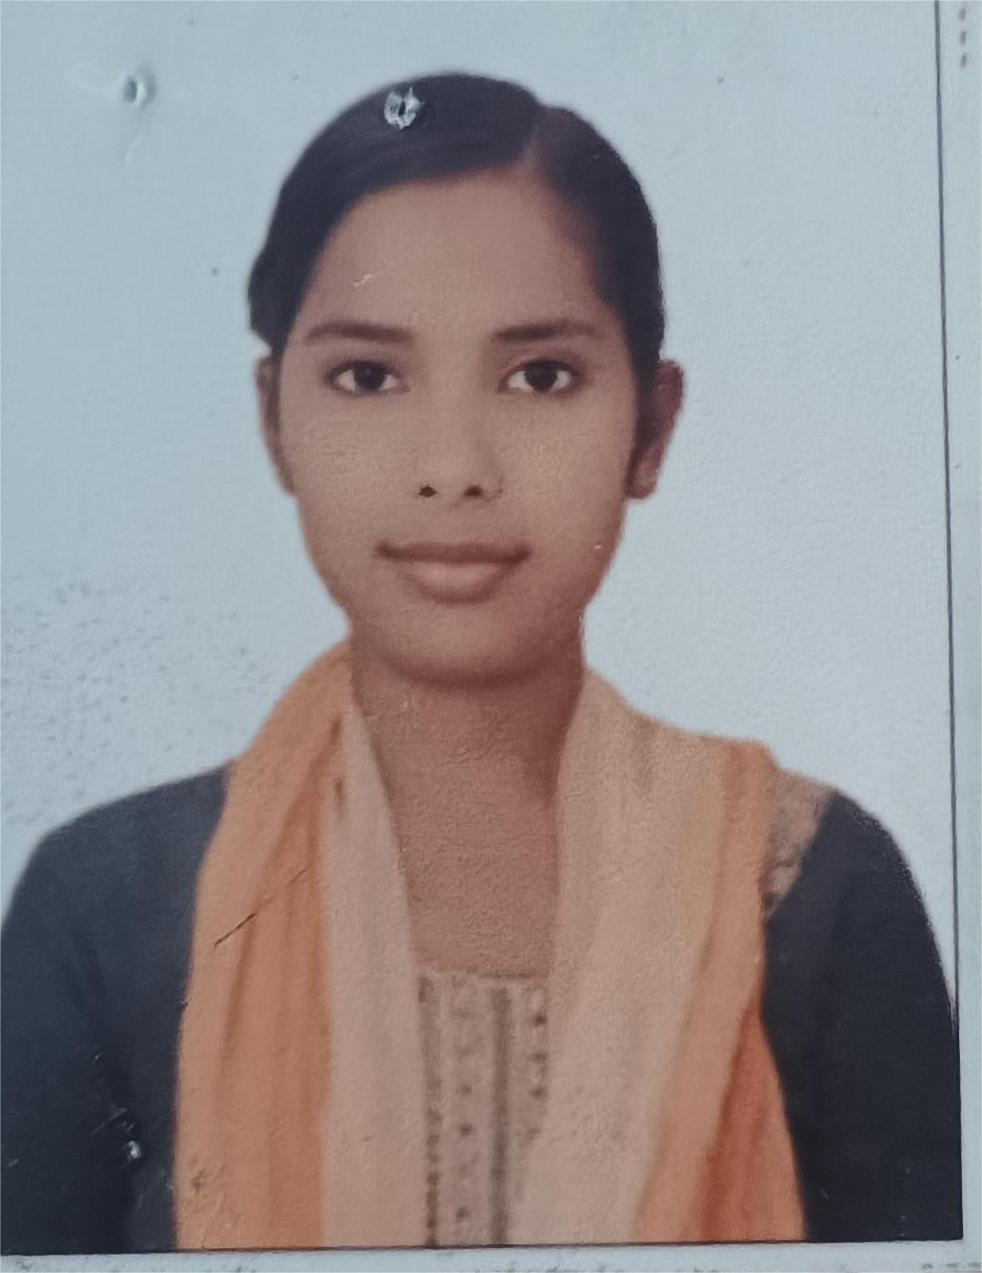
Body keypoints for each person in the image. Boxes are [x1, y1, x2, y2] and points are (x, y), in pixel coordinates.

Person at [1, 72, 961, 1255]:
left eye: (538, 375)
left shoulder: (811, 887)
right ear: (275, 420)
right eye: (368, 376)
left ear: (651, 428)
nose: (452, 466)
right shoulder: (106, 906)